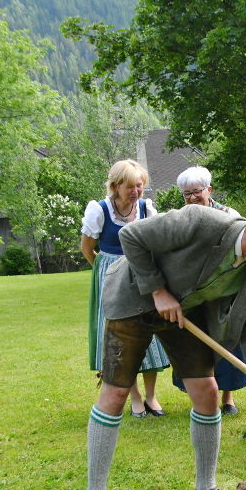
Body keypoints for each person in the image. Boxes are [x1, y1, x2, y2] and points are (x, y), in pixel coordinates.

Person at [80, 203, 246, 490]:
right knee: (115, 393)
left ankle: (206, 489)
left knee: (207, 392)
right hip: (135, 298)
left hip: (183, 312)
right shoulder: (201, 221)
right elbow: (131, 236)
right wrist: (157, 290)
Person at [80, 159, 169, 418]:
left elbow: (155, 242)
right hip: (111, 278)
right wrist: (106, 270)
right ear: (115, 186)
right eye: (130, 186)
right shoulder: (99, 210)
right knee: (122, 338)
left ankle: (152, 396)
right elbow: (87, 249)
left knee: (149, 336)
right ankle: (136, 398)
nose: (136, 192)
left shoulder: (146, 208)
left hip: (142, 276)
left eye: (139, 186)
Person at [171, 166, 246, 415]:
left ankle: (228, 397)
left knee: (226, 341)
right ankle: (203, 395)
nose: (192, 198)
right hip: (191, 293)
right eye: (186, 194)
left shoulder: (230, 215)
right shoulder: (179, 218)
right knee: (195, 344)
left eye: (196, 191)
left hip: (224, 289)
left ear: (209, 190)